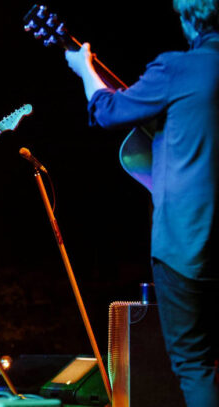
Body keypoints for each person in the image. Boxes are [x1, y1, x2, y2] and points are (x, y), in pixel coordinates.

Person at [65, 1, 219, 405]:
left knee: (195, 365)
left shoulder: (177, 68)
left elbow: (107, 110)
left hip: (187, 245)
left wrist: (86, 70)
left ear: (189, 18)